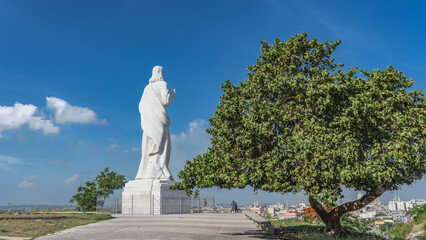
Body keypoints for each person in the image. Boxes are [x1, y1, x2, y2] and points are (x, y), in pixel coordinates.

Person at [135, 66, 177, 180]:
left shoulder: (147, 88)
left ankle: (148, 172)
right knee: (163, 146)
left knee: (150, 145)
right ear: (161, 73)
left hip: (149, 122)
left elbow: (141, 106)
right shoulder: (163, 84)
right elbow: (166, 101)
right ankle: (162, 168)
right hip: (159, 120)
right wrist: (172, 95)